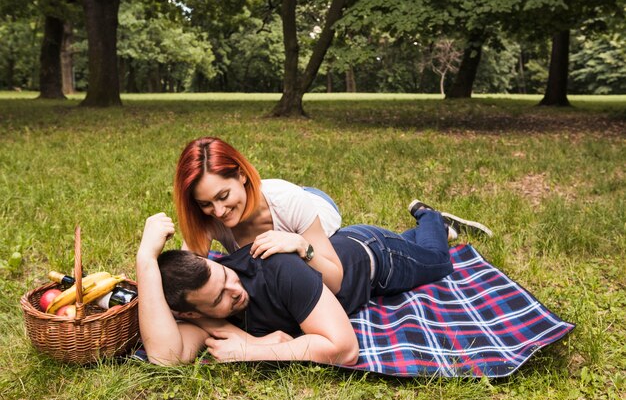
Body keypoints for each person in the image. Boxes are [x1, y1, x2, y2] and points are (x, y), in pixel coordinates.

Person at [137, 199, 486, 366]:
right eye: (219, 300)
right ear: (191, 315)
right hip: (343, 252)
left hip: (376, 259)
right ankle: (417, 234)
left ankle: (431, 217)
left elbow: (345, 350)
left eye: (226, 273)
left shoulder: (277, 269)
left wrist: (252, 349)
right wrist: (145, 261)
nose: (235, 289)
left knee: (439, 262)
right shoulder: (203, 305)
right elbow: (166, 356)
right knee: (414, 247)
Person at [174, 137, 344, 294]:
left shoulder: (290, 202)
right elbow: (185, 284)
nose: (218, 211)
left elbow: (335, 282)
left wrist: (301, 244)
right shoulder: (206, 218)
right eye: (205, 204)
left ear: (241, 175)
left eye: (223, 196)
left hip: (318, 203)